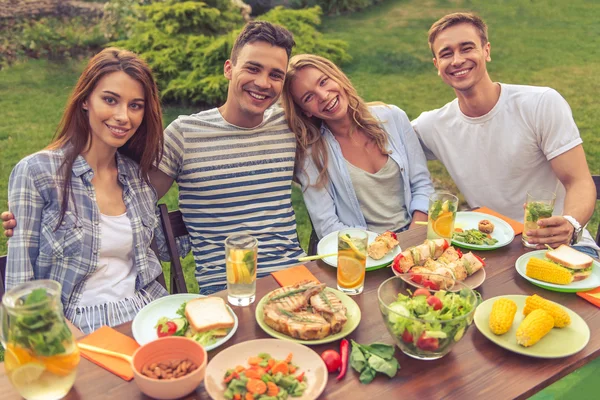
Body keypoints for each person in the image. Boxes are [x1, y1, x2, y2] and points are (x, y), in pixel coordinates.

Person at [3, 22, 305, 296]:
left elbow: (337, 154)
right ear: (229, 68)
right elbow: (123, 198)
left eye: (275, 74)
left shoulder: (290, 126)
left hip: (296, 279)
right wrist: (41, 206)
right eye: (252, 68)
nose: (263, 82)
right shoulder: (185, 134)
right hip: (228, 293)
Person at [5, 48, 168, 333]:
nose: (123, 117)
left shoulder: (137, 177)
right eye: (110, 100)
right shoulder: (37, 172)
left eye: (135, 105)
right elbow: (21, 286)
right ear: (85, 100)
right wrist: (69, 339)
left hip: (146, 317)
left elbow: (156, 255)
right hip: (76, 329)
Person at [412, 12, 599, 255]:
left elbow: (579, 181)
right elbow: (381, 139)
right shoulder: (432, 125)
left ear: (486, 51)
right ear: (437, 65)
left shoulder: (541, 103)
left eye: (467, 48)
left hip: (558, 247)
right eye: (446, 53)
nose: (457, 60)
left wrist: (571, 225)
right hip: (488, 245)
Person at [280, 54, 434, 239]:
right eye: (308, 97)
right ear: (305, 111)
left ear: (337, 77)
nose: (323, 96)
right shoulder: (312, 156)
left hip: (416, 237)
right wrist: (383, 247)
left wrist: (412, 236)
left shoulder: (393, 117)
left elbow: (422, 184)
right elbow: (327, 226)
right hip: (364, 253)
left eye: (323, 82)